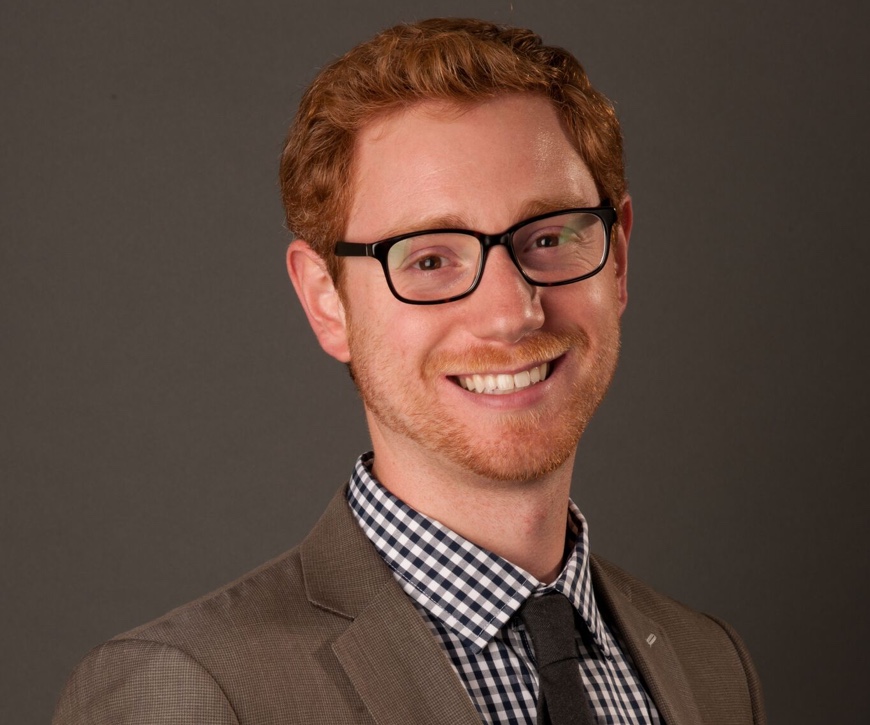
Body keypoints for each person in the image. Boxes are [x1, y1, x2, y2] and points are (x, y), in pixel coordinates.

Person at [53, 18, 766, 725]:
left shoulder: (712, 667)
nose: (511, 313)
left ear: (618, 260)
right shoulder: (183, 692)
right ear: (326, 301)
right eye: (429, 258)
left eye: (548, 237)